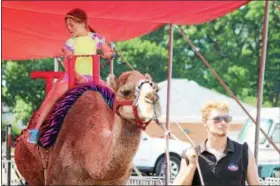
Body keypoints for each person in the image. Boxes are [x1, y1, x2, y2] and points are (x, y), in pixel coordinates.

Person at [27, 8, 115, 144]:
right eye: (68, 26)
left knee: (112, 94)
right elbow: (68, 63)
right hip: (72, 76)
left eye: (72, 25)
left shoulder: (95, 38)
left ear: (83, 23)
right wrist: (78, 76)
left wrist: (108, 53)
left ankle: (116, 126)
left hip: (93, 77)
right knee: (54, 95)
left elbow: (107, 50)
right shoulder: (71, 42)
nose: (69, 28)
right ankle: (36, 130)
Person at [173, 101, 260, 185]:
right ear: (204, 121)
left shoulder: (243, 151)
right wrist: (192, 166)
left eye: (226, 119)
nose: (223, 123)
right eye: (217, 119)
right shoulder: (192, 154)